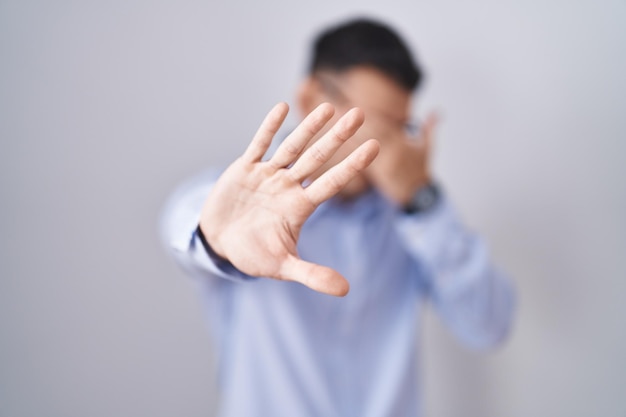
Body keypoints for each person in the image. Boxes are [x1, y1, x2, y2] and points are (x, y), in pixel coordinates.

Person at [160, 18, 515, 417]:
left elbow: (490, 324)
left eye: (402, 128)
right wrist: (214, 236)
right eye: (375, 123)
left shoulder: (413, 224)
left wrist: (422, 203)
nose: (388, 147)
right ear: (310, 96)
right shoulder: (245, 208)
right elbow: (185, 218)